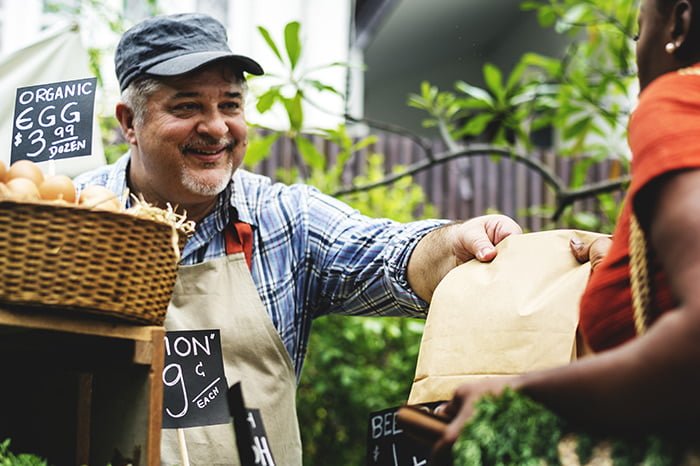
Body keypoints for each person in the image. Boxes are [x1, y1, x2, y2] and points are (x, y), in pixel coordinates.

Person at [73, 12, 523, 465]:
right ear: (129, 121)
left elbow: (390, 255)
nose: (216, 127)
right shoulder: (65, 217)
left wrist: (456, 243)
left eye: (229, 105)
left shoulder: (285, 220)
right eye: (187, 107)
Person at [431, 0, 700, 461]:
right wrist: (623, 263)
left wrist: (518, 392)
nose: (638, 52)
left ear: (679, 22)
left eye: (639, 33)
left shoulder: (676, 99)